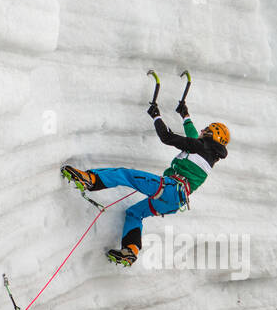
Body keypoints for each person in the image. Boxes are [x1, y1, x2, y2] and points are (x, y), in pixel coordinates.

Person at [61, 98, 230, 264]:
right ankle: (130, 250)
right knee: (135, 213)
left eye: (206, 129)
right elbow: (192, 134)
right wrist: (185, 115)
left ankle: (90, 180)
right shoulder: (209, 154)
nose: (202, 130)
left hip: (169, 188)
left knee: (125, 174)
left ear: (211, 134)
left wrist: (156, 116)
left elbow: (167, 137)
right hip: (174, 202)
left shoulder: (199, 146)